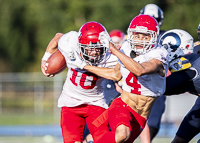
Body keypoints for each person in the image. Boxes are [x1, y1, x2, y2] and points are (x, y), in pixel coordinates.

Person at [68, 14, 169, 143]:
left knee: (113, 139)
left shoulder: (159, 54)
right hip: (122, 105)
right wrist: (85, 66)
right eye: (137, 36)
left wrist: (115, 51)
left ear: (154, 36)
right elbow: (115, 74)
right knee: (122, 134)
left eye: (145, 36)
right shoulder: (126, 48)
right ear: (131, 35)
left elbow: (140, 70)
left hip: (140, 117)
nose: (140, 40)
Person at [41, 21, 121, 143]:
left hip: (96, 103)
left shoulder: (110, 56)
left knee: (103, 140)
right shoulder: (71, 42)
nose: (94, 53)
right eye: (90, 49)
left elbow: (117, 74)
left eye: (97, 49)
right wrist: (46, 57)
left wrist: (85, 65)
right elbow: (58, 37)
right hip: (70, 103)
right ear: (80, 45)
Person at [83, 29, 125, 143]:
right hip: (97, 106)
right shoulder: (101, 60)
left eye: (119, 41)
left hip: (114, 108)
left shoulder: (125, 61)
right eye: (114, 42)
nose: (118, 45)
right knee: (91, 136)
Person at [167, 25, 200, 143]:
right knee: (181, 137)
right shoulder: (196, 50)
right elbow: (174, 87)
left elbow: (166, 86)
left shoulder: (191, 60)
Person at [138, 4, 167, 142]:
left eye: (153, 18)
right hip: (135, 86)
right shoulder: (133, 38)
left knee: (153, 124)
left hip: (156, 86)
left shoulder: (166, 39)